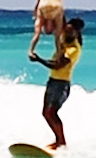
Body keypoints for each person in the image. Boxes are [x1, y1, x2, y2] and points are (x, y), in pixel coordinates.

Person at [30, 18, 84, 149]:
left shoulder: (73, 49)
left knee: (51, 112)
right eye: (67, 29)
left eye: (71, 31)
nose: (67, 32)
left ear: (77, 33)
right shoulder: (65, 36)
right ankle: (59, 141)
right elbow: (61, 19)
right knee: (46, 113)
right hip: (52, 82)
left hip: (62, 85)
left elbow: (57, 66)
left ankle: (61, 141)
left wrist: (38, 59)